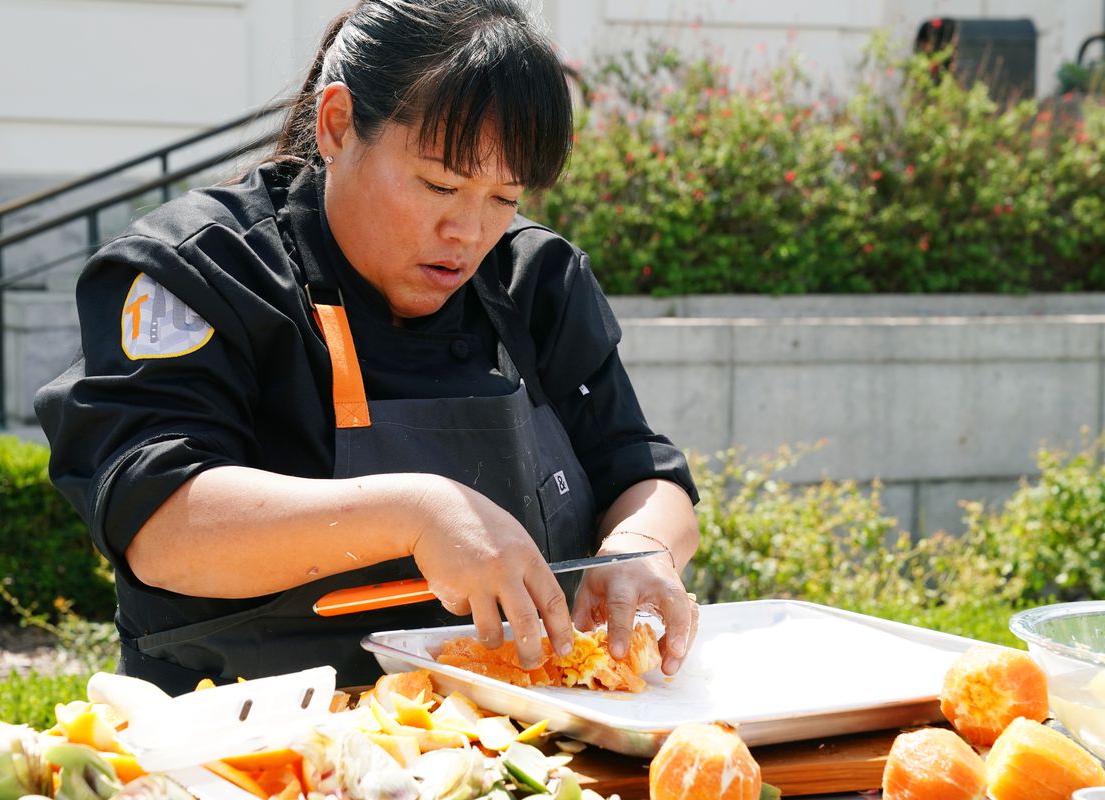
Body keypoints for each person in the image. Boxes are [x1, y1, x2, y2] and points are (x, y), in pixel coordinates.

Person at [35, 0, 701, 695]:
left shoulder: (535, 280)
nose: (468, 232)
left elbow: (640, 470)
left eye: (504, 196)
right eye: (440, 184)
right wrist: (417, 513)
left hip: (517, 733)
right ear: (337, 125)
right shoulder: (202, 271)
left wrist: (639, 548)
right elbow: (162, 526)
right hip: (250, 736)